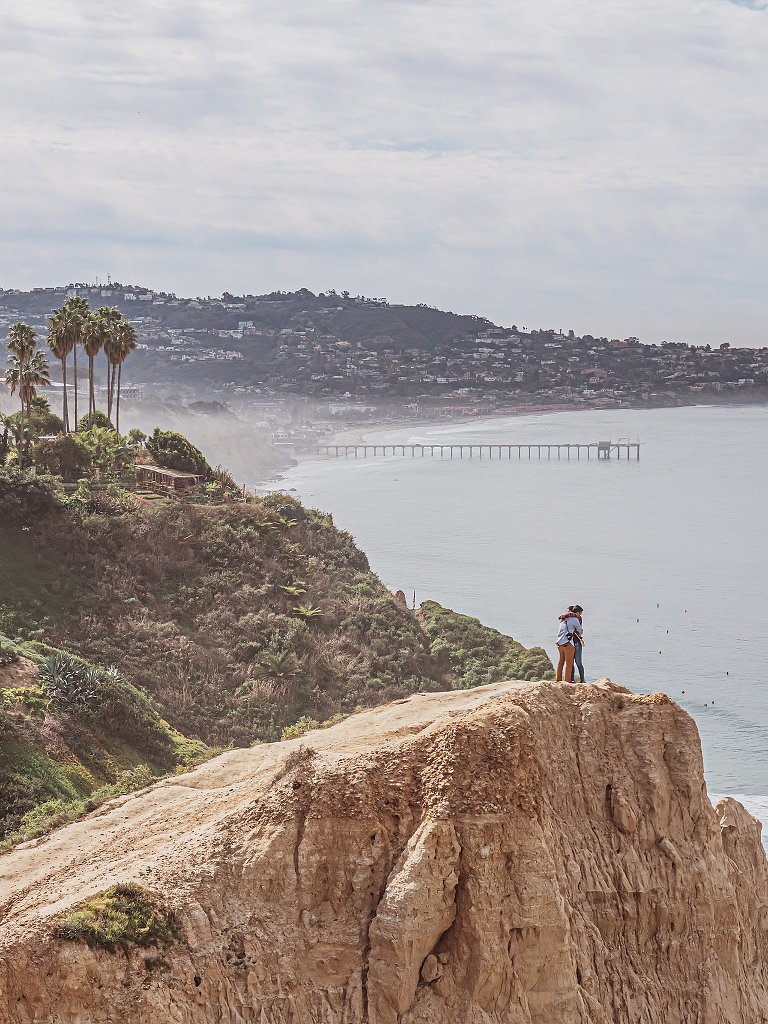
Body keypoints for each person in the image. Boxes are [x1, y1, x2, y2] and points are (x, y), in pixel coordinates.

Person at [555, 604, 584, 683]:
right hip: (567, 644)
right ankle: (568, 681)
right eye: (580, 613)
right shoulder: (575, 619)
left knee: (561, 662)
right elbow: (581, 631)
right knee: (569, 663)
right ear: (577, 613)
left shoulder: (563, 619)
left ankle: (558, 679)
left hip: (559, 643)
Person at [568, 606, 586, 684]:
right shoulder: (572, 619)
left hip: (576, 640)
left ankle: (582, 679)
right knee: (572, 662)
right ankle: (572, 680)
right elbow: (580, 631)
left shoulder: (578, 618)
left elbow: (579, 631)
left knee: (578, 662)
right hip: (573, 641)